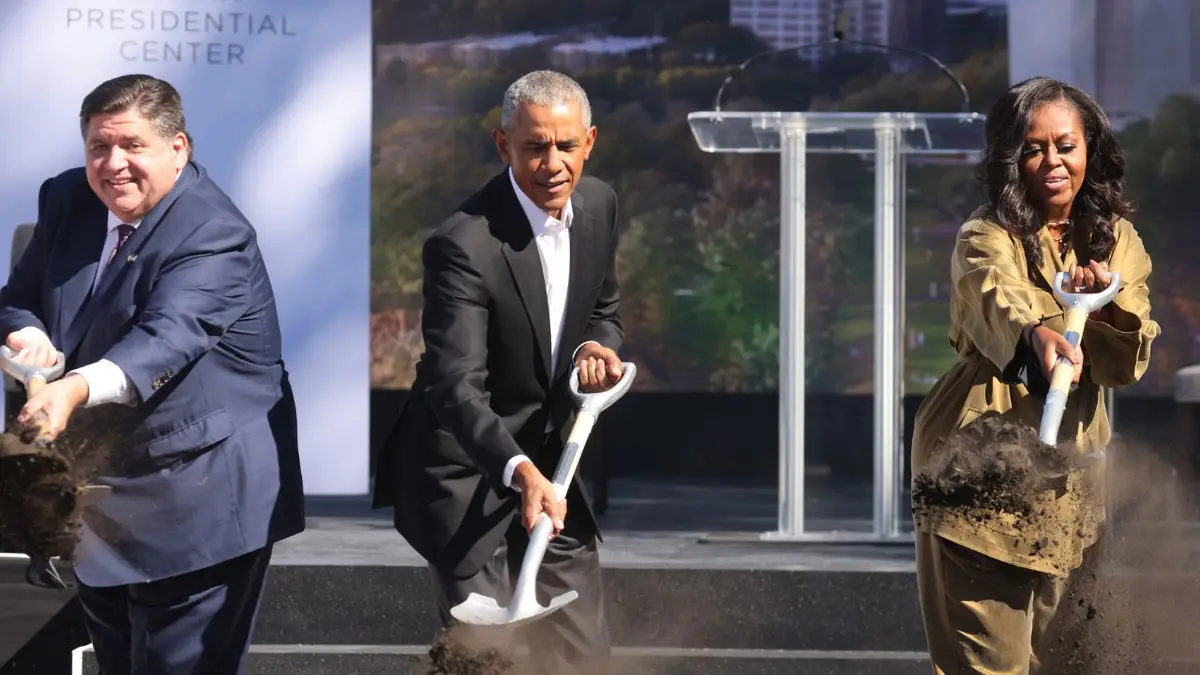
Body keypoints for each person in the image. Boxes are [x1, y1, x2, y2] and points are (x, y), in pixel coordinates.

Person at [0, 74, 305, 673]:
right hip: (102, 499)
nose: (113, 165)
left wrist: (75, 388)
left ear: (178, 147)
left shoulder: (213, 232)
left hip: (198, 498)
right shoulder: (68, 199)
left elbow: (166, 341)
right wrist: (29, 334)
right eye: (98, 147)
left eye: (132, 146)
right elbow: (21, 295)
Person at [372, 69, 626, 675]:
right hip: (465, 473)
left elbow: (604, 311)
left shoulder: (599, 205)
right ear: (503, 144)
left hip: (552, 472)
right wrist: (518, 472)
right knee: (485, 661)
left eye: (566, 145)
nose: (553, 163)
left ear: (589, 141)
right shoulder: (463, 244)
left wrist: (596, 346)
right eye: (535, 146)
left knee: (582, 657)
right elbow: (453, 384)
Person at [909, 76, 1161, 673]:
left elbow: (1127, 358)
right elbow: (993, 295)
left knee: (1069, 656)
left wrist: (1111, 301)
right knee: (988, 661)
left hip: (1073, 471)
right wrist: (1034, 337)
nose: (1053, 161)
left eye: (1066, 146)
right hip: (978, 459)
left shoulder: (1117, 242)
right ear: (1009, 156)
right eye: (1033, 147)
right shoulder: (985, 235)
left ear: (1090, 150)